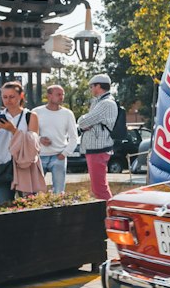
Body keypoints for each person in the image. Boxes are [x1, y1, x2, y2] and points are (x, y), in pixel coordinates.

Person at [0, 81, 41, 205]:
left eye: (12, 96)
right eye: (5, 97)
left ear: (21, 96)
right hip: (1, 167)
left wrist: (13, 130)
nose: (8, 100)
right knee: (5, 208)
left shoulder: (30, 116)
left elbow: (34, 145)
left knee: (28, 207)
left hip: (24, 167)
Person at [77, 73, 118, 201]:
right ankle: (107, 214)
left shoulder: (106, 103)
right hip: (97, 149)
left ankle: (108, 214)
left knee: (99, 188)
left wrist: (83, 121)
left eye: (91, 86)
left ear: (98, 86)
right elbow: (87, 122)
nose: (90, 89)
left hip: (98, 149)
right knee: (99, 187)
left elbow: (83, 122)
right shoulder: (100, 102)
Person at [33, 84, 78, 196]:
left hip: (59, 156)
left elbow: (74, 137)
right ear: (49, 96)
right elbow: (28, 134)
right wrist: (39, 139)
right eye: (58, 94)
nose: (61, 97)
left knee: (59, 193)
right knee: (36, 192)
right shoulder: (36, 112)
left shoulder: (68, 114)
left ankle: (59, 213)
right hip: (39, 156)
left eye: (62, 94)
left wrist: (65, 154)